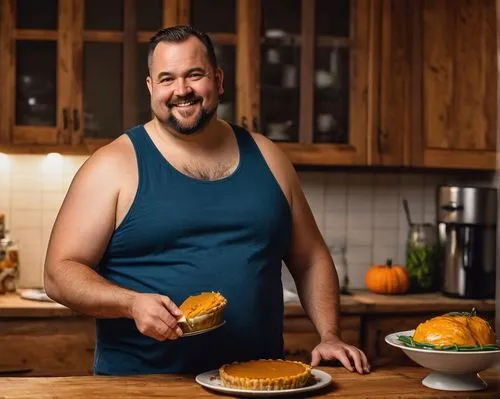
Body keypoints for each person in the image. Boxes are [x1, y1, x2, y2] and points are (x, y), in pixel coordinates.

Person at [44, 25, 370, 376]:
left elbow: (311, 259)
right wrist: (130, 304)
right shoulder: (112, 165)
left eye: (194, 75)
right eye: (166, 79)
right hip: (144, 388)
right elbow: (59, 273)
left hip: (255, 383)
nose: (181, 91)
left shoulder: (269, 158)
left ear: (218, 79)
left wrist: (330, 334)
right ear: (151, 87)